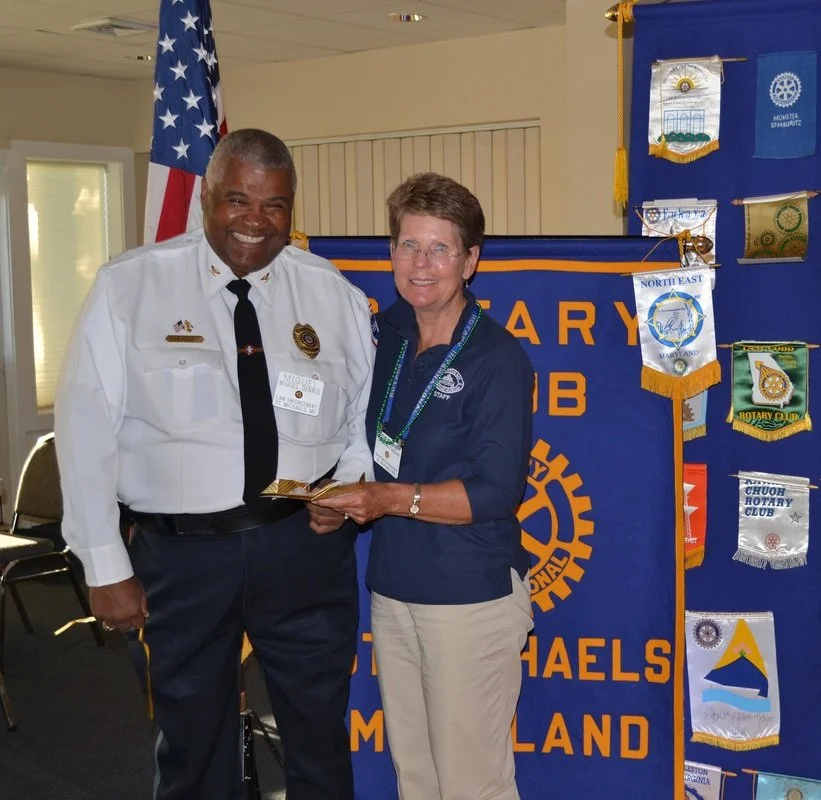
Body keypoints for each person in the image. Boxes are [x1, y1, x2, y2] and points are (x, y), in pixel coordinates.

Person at [54, 129, 374, 800]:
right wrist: (103, 563)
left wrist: (347, 489)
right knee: (193, 740)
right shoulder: (130, 287)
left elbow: (360, 419)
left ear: (292, 208)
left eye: (275, 205)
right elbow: (84, 431)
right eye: (238, 199)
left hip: (303, 549)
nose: (255, 221)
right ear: (205, 197)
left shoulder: (329, 293)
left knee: (318, 734)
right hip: (185, 558)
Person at [313, 172, 534, 800]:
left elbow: (495, 493)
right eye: (409, 245)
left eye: (441, 248)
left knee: (471, 782)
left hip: (469, 597)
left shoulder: (496, 358)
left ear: (471, 261)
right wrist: (340, 497)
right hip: (394, 588)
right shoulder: (386, 335)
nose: (422, 263)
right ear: (391, 253)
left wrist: (387, 499)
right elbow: (364, 442)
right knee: (415, 775)